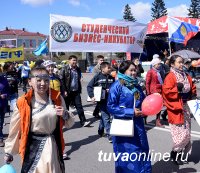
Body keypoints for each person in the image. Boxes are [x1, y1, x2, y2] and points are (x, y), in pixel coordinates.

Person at [4, 65, 70, 172]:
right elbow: (15, 129)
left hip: (53, 146)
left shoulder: (57, 97)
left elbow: (69, 123)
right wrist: (9, 151)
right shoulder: (23, 102)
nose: (43, 84)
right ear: (30, 81)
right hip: (32, 148)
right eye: (39, 80)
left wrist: (65, 114)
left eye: (46, 80)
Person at [107, 61, 152, 173]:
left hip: (138, 125)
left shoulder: (136, 85)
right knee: (129, 154)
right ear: (124, 71)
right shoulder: (117, 86)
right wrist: (130, 112)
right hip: (124, 127)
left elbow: (143, 101)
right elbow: (111, 107)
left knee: (142, 150)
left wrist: (146, 109)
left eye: (134, 70)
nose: (134, 72)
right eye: (131, 70)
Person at [162, 55, 196, 165]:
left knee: (187, 133)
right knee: (180, 135)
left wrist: (193, 93)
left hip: (185, 107)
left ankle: (181, 155)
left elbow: (192, 87)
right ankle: (175, 153)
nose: (181, 64)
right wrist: (177, 88)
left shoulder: (186, 75)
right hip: (176, 108)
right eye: (179, 62)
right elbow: (166, 92)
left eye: (182, 62)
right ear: (172, 64)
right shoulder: (170, 76)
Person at [87, 62, 115, 142]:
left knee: (104, 118)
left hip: (110, 101)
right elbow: (89, 86)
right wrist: (92, 96)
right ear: (103, 69)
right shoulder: (97, 77)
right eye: (108, 68)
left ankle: (100, 131)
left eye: (110, 68)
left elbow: (114, 87)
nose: (110, 69)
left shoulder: (111, 77)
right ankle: (110, 136)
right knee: (106, 118)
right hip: (101, 101)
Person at [60, 55, 90, 127]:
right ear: (69, 61)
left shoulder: (78, 69)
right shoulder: (64, 69)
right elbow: (62, 80)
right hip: (67, 91)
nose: (74, 62)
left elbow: (78, 79)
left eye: (75, 60)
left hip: (76, 91)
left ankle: (83, 121)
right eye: (73, 60)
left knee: (79, 106)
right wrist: (64, 90)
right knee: (66, 108)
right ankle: (65, 122)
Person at [146, 56, 164, 127]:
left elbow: (162, 81)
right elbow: (147, 83)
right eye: (158, 64)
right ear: (154, 65)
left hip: (160, 90)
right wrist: (148, 92)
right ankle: (144, 117)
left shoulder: (160, 71)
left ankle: (158, 121)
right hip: (153, 91)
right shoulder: (150, 72)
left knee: (159, 106)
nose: (159, 65)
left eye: (160, 64)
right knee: (150, 106)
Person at [0, 72, 9, 147]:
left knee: (0, 122)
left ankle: (0, 138)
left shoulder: (4, 80)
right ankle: (0, 138)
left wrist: (5, 95)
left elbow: (8, 92)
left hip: (2, 104)